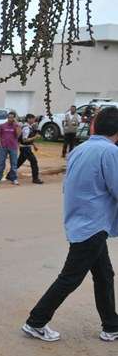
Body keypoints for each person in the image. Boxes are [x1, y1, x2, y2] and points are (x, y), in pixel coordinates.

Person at [22, 107, 118, 343]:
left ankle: (112, 325)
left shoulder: (80, 149)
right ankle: (36, 321)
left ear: (95, 126)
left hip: (83, 222)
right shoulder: (110, 152)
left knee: (104, 275)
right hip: (92, 226)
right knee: (70, 277)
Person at [0, 111, 21, 185]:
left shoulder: (16, 126)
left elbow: (18, 135)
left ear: (14, 118)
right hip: (4, 147)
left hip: (13, 147)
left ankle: (14, 179)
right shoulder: (2, 125)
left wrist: (17, 125)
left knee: (14, 164)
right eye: (9, 117)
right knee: (1, 163)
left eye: (12, 117)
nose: (10, 119)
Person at [17, 114, 43, 184]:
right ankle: (35, 178)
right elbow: (25, 140)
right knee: (34, 162)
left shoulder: (28, 127)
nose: (34, 120)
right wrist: (35, 137)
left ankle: (10, 175)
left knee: (19, 162)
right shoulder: (26, 128)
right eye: (32, 119)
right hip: (25, 148)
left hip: (25, 148)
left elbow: (27, 139)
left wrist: (34, 145)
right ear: (28, 119)